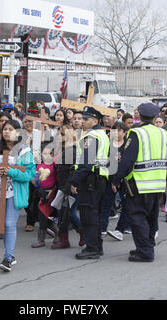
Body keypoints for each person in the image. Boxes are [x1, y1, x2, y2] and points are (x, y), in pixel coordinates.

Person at [111, 103, 167, 262]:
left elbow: (127, 160)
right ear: (154, 117)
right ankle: (147, 246)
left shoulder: (136, 133)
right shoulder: (163, 133)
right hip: (157, 183)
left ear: (139, 116)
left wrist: (116, 179)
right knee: (151, 217)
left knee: (137, 218)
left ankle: (145, 251)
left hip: (139, 183)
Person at [0, 120, 36, 272]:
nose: (7, 132)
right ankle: (10, 255)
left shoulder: (24, 151)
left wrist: (11, 172)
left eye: (10, 129)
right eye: (5, 129)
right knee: (3, 226)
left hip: (15, 193)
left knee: (8, 224)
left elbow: (29, 174)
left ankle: (8, 257)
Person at [71, 106, 110, 260]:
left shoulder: (92, 136)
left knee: (88, 215)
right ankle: (97, 246)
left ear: (95, 121)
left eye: (85, 119)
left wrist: (75, 181)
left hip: (90, 180)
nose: (82, 122)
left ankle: (92, 248)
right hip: (99, 178)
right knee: (96, 214)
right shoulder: (102, 134)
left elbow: (86, 163)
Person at [53, 125, 84, 249]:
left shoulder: (73, 150)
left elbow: (73, 172)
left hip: (71, 187)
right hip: (63, 186)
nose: (60, 137)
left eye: (63, 134)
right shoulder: (64, 149)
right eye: (60, 134)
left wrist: (66, 189)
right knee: (64, 213)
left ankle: (82, 234)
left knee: (68, 213)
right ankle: (65, 239)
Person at [104, 122, 131, 241]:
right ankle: (102, 228)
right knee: (106, 204)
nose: (116, 133)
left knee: (126, 205)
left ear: (125, 132)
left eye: (119, 130)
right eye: (114, 130)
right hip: (110, 178)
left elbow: (129, 163)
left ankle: (121, 228)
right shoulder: (109, 145)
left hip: (124, 179)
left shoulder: (128, 145)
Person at [31, 144, 59, 248]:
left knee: (43, 215)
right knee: (40, 215)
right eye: (44, 153)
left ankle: (41, 240)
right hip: (39, 193)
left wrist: (53, 191)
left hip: (49, 194)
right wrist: (32, 180)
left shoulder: (54, 165)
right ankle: (57, 232)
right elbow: (36, 180)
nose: (47, 156)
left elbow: (58, 180)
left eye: (50, 153)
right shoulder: (39, 165)